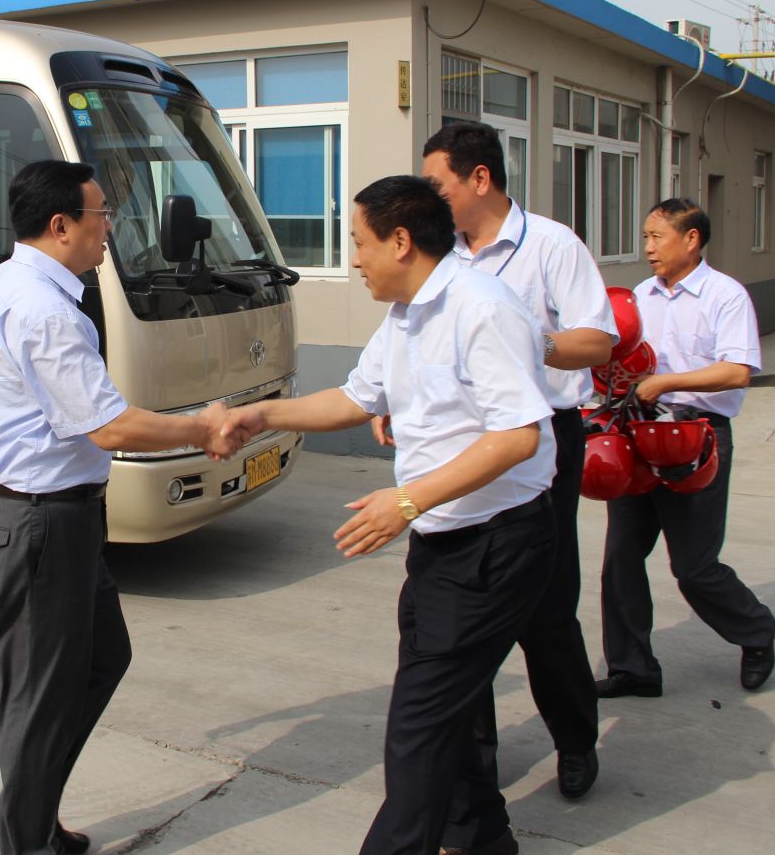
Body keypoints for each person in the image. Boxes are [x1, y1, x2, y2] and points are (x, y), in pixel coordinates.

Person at [220, 174, 557, 855]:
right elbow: (355, 397)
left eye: (359, 242)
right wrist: (262, 415)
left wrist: (405, 501)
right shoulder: (406, 313)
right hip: (443, 541)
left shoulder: (481, 308)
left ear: (401, 241)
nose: (354, 259)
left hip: (495, 544)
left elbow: (518, 435)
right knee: (446, 710)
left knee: (418, 730)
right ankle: (482, 836)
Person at [0, 160, 238, 855]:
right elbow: (109, 427)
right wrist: (202, 428)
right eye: (101, 215)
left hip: (50, 515)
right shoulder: (44, 310)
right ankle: (27, 837)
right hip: (40, 520)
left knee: (101, 657)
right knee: (41, 692)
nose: (109, 229)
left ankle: (24, 807)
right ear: (61, 224)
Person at [402, 123, 615, 814]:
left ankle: (575, 738)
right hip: (459, 443)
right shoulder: (440, 253)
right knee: (458, 619)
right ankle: (477, 769)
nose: (429, 196)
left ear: (480, 179)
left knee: (546, 609)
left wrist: (526, 340)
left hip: (540, 440)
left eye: (437, 183)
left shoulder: (551, 245)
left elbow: (599, 341)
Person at [598, 198, 775, 697]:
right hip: (639, 432)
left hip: (696, 437)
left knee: (694, 568)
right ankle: (632, 668)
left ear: (691, 238)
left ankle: (756, 632)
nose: (648, 247)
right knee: (621, 559)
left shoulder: (725, 295)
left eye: (657, 237)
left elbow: (736, 371)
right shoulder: (641, 295)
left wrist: (665, 382)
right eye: (646, 237)